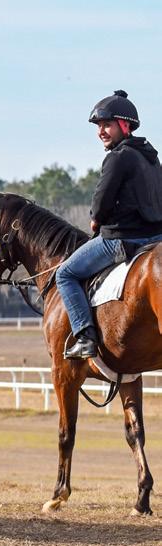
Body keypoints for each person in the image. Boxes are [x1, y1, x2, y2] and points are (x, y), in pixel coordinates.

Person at [57, 90, 162, 359]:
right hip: (156, 237)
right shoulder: (152, 158)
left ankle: (85, 337)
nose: (101, 132)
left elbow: (102, 201)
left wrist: (96, 219)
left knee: (65, 274)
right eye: (99, 126)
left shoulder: (117, 157)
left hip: (122, 239)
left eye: (107, 125)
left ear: (124, 126)